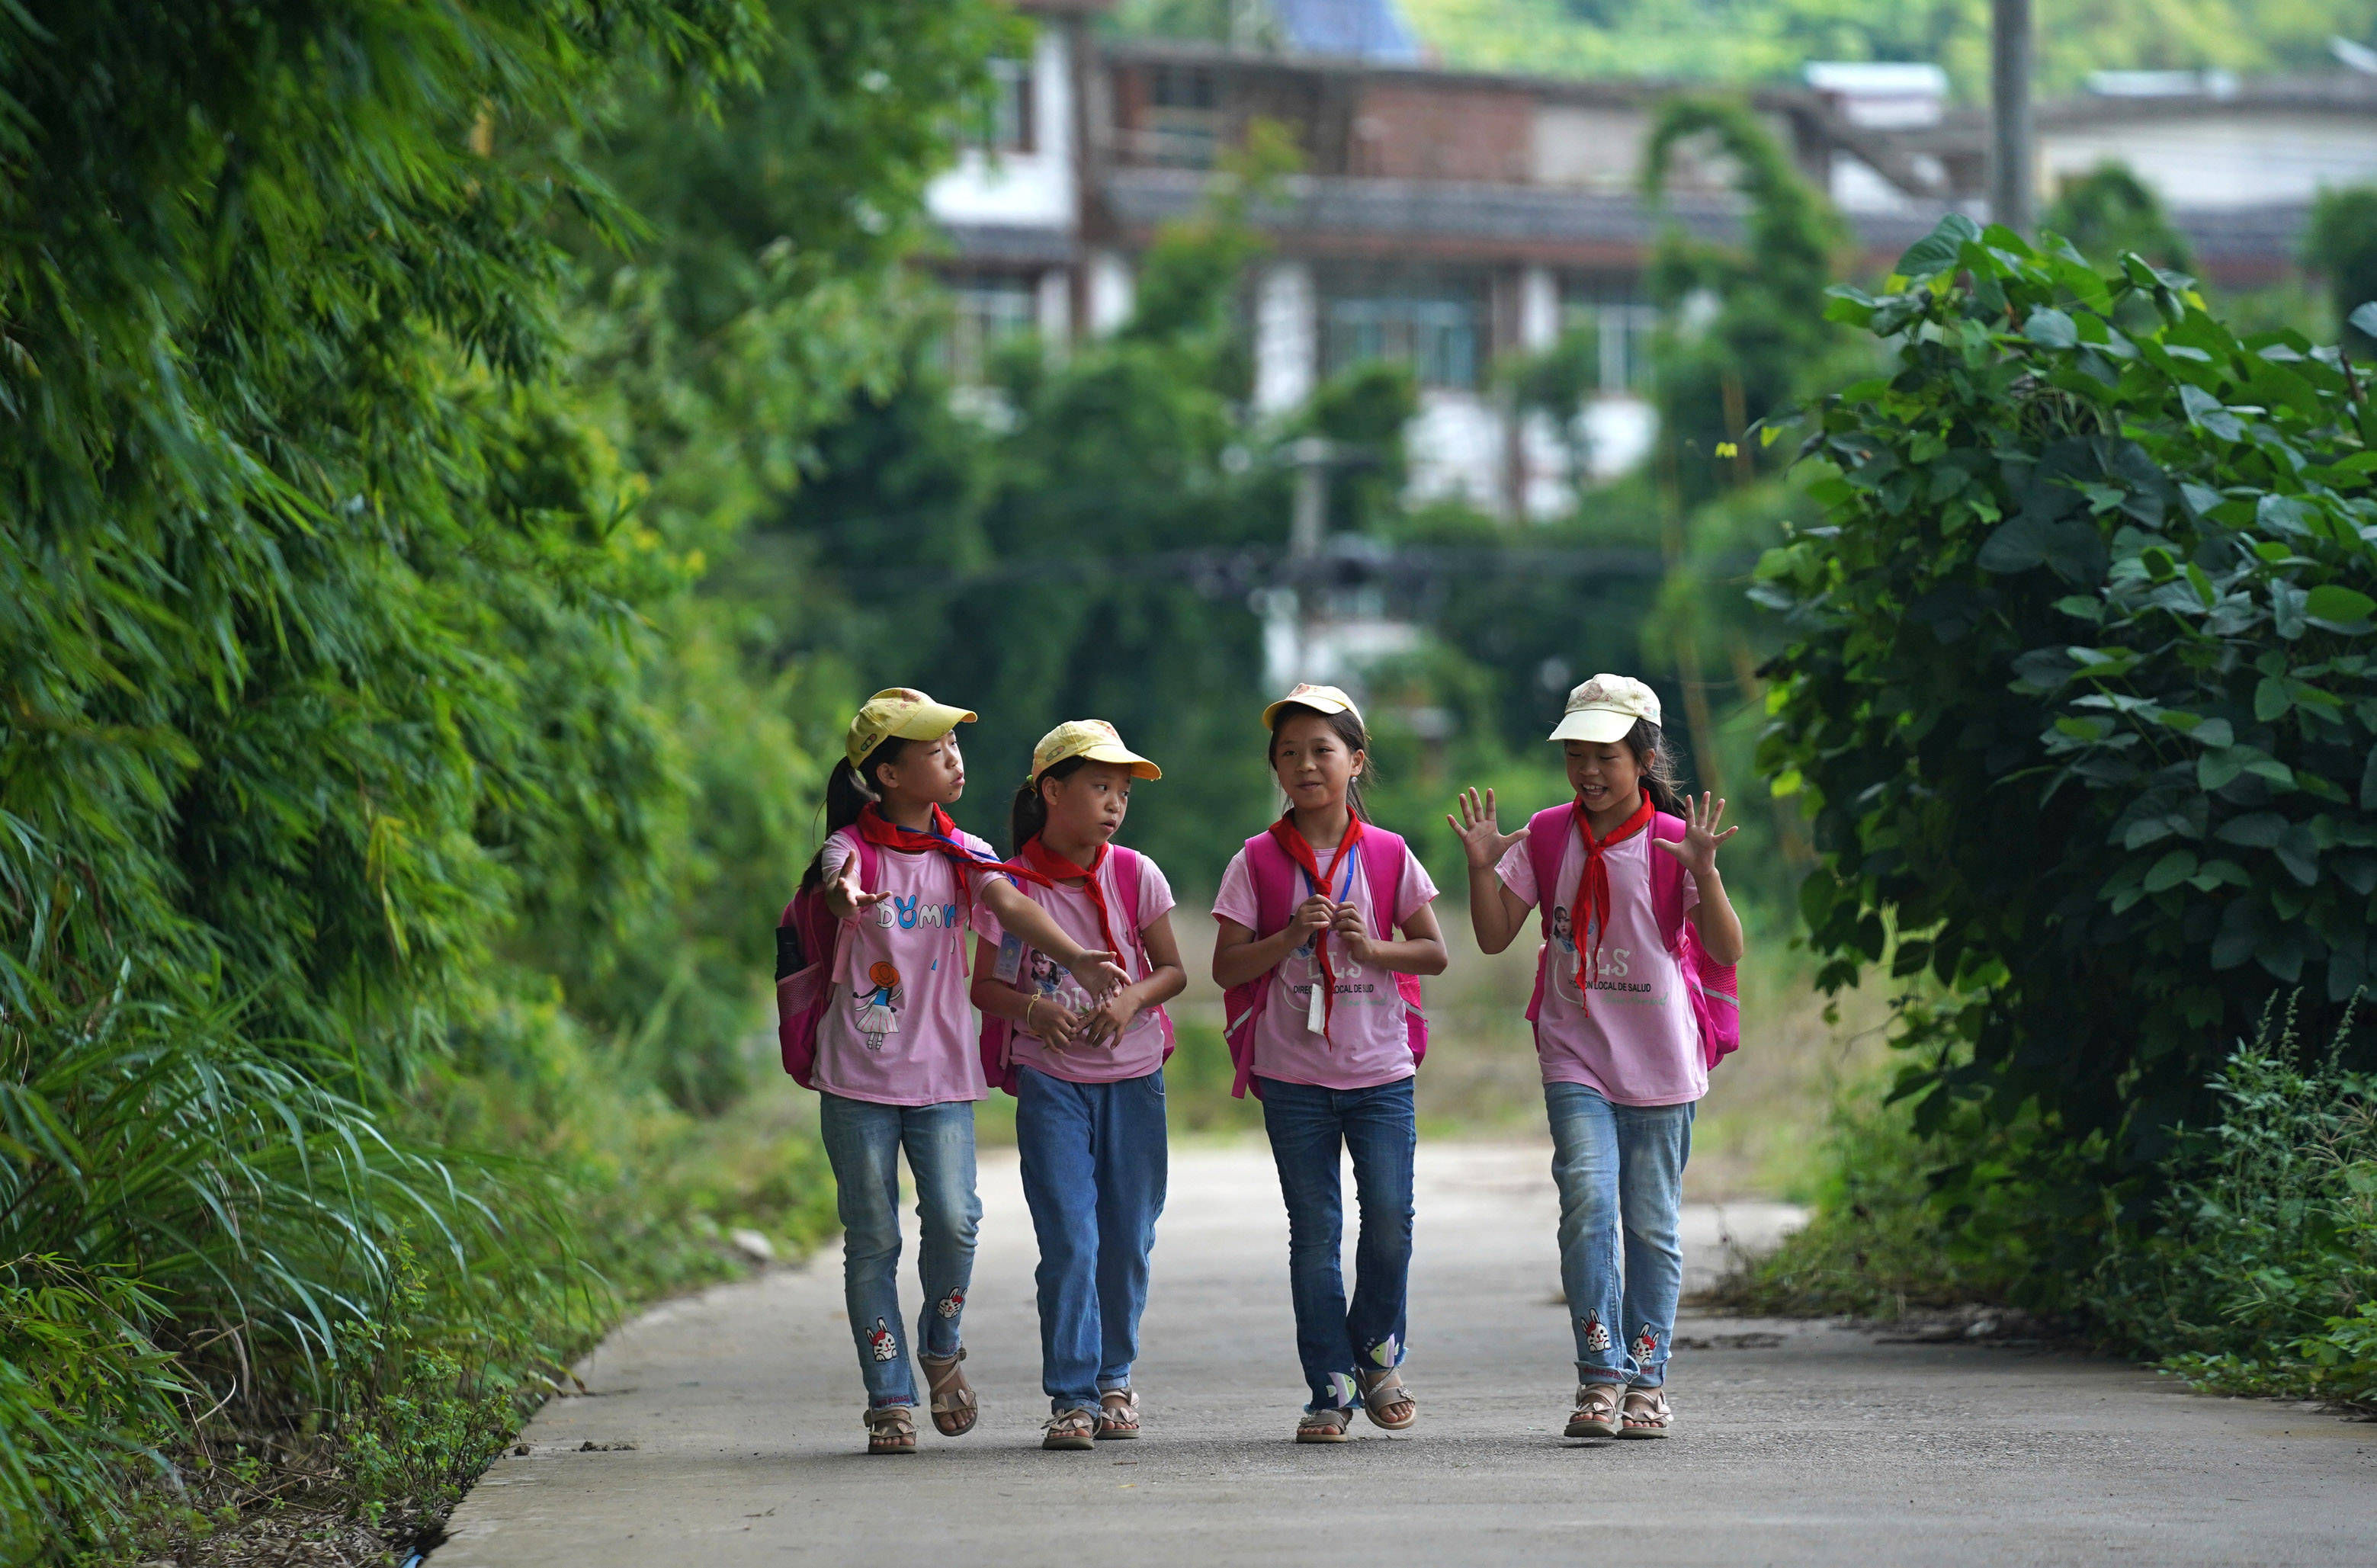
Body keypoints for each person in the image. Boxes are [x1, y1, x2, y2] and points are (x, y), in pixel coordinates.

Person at [800, 688, 1128, 1456]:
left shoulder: (967, 853)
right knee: (872, 1235)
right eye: (934, 748)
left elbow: (1010, 906)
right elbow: (834, 879)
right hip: (855, 1075)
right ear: (886, 773)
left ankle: (940, 1341)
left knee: (954, 1217)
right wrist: (846, 897)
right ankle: (888, 1393)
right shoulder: (853, 847)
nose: (954, 757)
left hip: (942, 1077)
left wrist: (1077, 954)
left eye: (955, 743)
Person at [1448, 674, 1744, 1441]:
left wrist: (1704, 873)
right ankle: (1599, 1375)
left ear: (1643, 756)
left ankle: (1647, 1377)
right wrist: (1483, 865)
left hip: (1660, 1062)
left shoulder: (1676, 840)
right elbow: (1491, 933)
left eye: (1604, 754)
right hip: (1574, 1048)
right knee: (1586, 1200)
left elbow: (1722, 948)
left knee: (1651, 1226)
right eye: (1575, 753)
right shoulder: (1548, 834)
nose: (1586, 770)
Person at [1211, 684, 1448, 1443]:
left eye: (1322, 749)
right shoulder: (1255, 860)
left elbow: (1434, 951)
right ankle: (1330, 1385)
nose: (1306, 764)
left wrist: (1373, 948)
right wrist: (1286, 937)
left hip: (1379, 1071)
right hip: (1293, 1075)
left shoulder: (1386, 854)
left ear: (1355, 760)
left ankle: (1376, 1352)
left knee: (1388, 1219)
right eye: (1289, 752)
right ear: (1274, 769)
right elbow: (1224, 966)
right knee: (1313, 1231)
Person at [971, 720, 1186, 1451]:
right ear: (1051, 791)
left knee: (1127, 1236)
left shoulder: (1135, 873)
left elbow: (1172, 971)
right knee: (1069, 1235)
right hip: (1050, 1080)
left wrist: (1130, 1001)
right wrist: (1036, 1008)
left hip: (1134, 1079)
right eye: (1099, 787)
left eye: (1123, 792)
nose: (1114, 804)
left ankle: (1114, 1378)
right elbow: (987, 988)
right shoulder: (1010, 887)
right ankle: (1070, 1395)